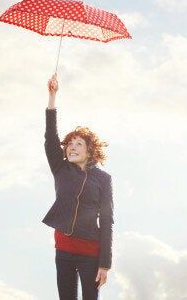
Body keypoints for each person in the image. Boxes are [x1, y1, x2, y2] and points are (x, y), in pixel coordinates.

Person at [42, 73, 114, 300]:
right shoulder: (60, 168)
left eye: (78, 144)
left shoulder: (103, 179)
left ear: (90, 150)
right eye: (69, 144)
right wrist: (52, 97)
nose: (71, 148)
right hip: (63, 249)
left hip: (90, 252)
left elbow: (107, 221)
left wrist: (105, 264)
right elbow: (50, 138)